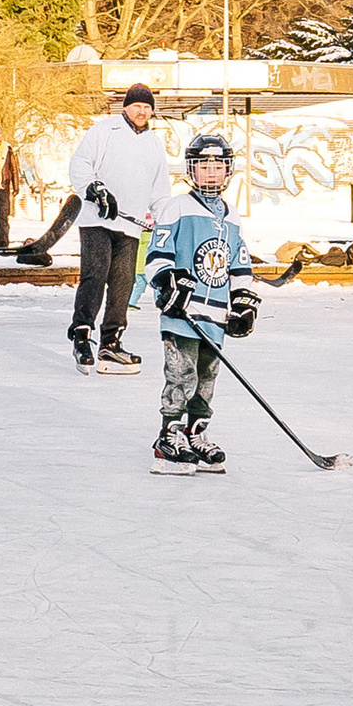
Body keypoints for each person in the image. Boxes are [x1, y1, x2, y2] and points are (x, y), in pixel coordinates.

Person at [144, 131, 257, 472]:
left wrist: (242, 302)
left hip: (215, 317)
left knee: (207, 376)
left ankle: (195, 434)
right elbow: (157, 256)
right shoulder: (176, 207)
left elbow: (238, 263)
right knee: (181, 374)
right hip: (182, 314)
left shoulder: (231, 215)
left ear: (228, 171)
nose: (211, 172)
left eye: (217, 165)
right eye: (203, 165)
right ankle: (169, 437)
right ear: (191, 170)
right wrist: (167, 284)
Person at [67, 81, 172, 373]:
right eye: (137, 105)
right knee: (95, 274)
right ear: (125, 106)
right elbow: (80, 165)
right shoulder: (105, 130)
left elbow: (160, 190)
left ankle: (111, 342)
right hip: (97, 220)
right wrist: (95, 189)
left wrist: (167, 222)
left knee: (124, 283)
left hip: (131, 226)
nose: (142, 111)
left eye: (147, 107)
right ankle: (82, 333)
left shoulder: (153, 144)